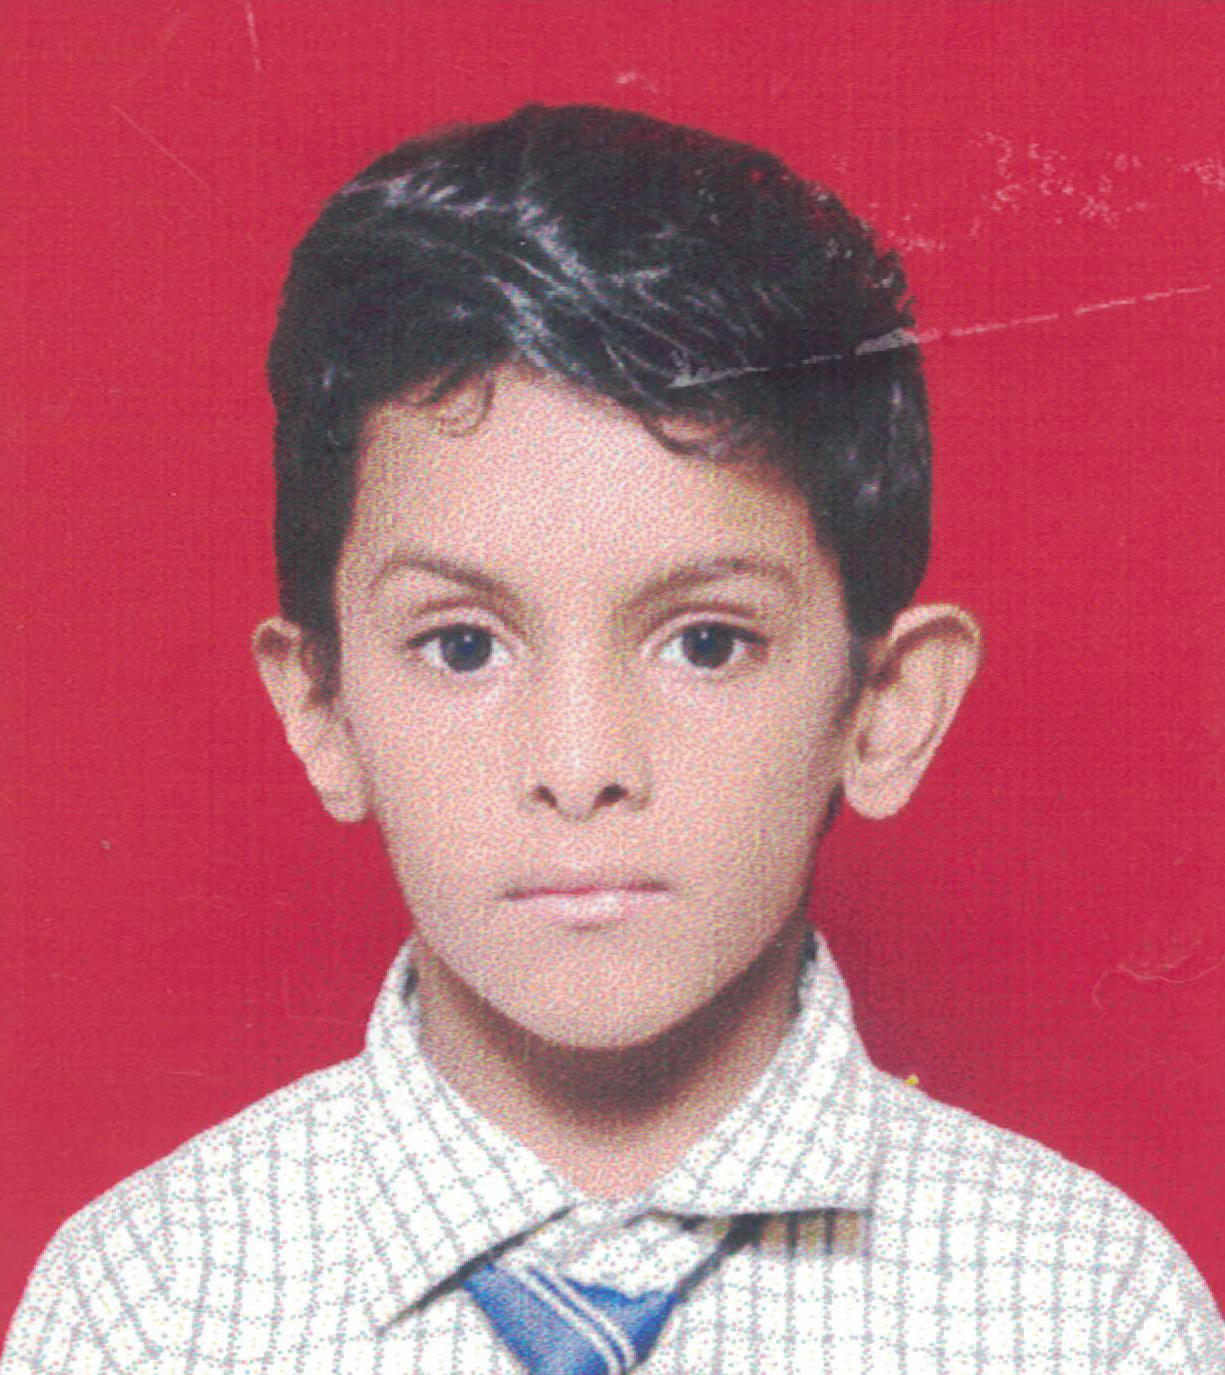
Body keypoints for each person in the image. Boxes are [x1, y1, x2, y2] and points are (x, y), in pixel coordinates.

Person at [2, 104, 1220, 1374]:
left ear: (884, 707)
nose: (581, 768)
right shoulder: (147, 1307)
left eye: (707, 642)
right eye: (462, 645)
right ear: (322, 707)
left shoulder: (1087, 1313)